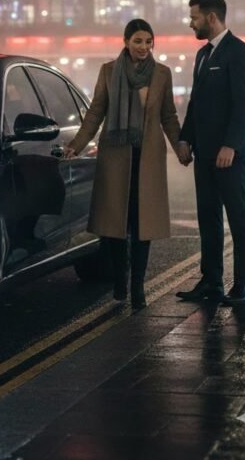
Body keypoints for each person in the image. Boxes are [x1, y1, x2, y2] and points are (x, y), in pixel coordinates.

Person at [63, 18, 182, 309]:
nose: (143, 47)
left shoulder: (162, 74)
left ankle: (138, 286)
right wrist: (76, 145)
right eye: (138, 41)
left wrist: (181, 146)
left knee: (143, 225)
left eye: (148, 41)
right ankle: (120, 277)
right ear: (126, 42)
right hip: (115, 156)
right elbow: (95, 113)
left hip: (148, 158)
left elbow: (168, 116)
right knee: (116, 224)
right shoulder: (109, 72)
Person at [176, 0, 245, 307]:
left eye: (194, 17)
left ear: (211, 17)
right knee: (208, 217)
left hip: (230, 153)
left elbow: (242, 104)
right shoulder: (202, 55)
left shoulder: (239, 52)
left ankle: (244, 286)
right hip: (205, 152)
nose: (190, 23)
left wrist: (230, 144)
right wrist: (186, 139)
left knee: (239, 217)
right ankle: (211, 281)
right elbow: (195, 102)